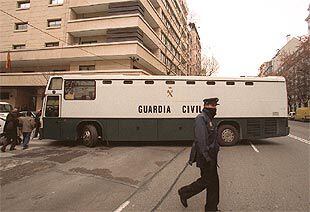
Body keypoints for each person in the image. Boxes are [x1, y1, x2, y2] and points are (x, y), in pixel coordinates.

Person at [178, 98, 220, 212]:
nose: (215, 108)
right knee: (207, 181)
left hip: (211, 156)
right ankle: (184, 192)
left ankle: (211, 208)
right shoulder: (200, 119)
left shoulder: (208, 119)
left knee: (213, 183)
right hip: (205, 156)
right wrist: (207, 157)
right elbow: (201, 141)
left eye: (215, 105)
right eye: (212, 105)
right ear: (206, 105)